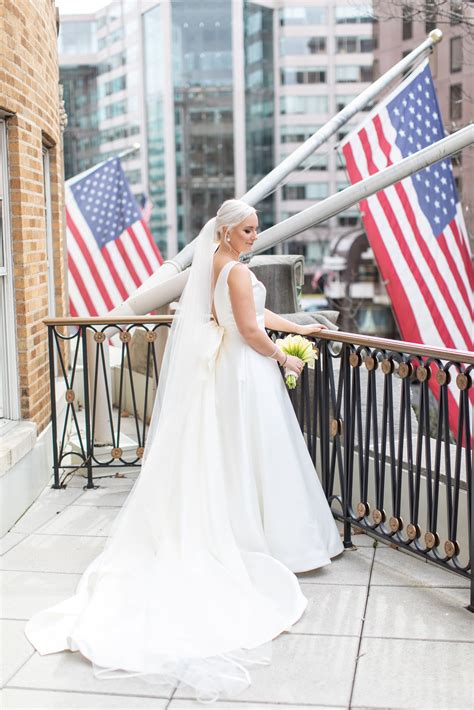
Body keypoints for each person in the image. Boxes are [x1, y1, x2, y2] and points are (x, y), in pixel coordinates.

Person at [24, 199, 344, 703]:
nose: (254, 237)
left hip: (224, 369)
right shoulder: (235, 270)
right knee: (255, 453)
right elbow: (252, 327)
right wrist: (287, 354)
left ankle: (250, 530)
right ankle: (269, 542)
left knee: (231, 455)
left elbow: (252, 312)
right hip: (244, 369)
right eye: (247, 230)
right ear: (225, 231)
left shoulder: (212, 264)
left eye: (256, 230)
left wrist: (297, 327)